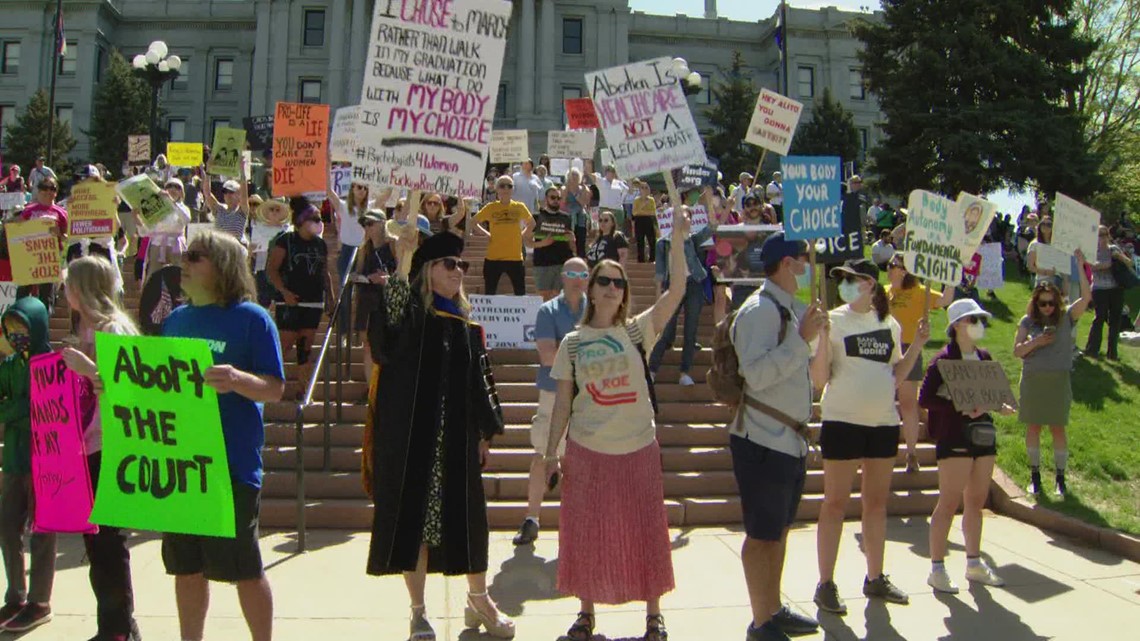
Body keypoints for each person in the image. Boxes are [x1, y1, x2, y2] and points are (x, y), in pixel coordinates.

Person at [543, 208, 696, 641]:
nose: (611, 288)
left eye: (618, 282)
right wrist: (549, 452)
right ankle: (585, 614)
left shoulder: (636, 332)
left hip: (637, 446)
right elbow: (561, 405)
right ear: (589, 289)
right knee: (587, 532)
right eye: (603, 281)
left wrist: (679, 239)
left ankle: (653, 616)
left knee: (646, 528)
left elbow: (679, 288)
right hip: (588, 449)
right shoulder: (572, 344)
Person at [366, 232, 514, 641]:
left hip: (456, 441)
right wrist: (404, 258)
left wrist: (485, 432)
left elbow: (478, 382)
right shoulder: (411, 314)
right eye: (449, 264)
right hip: (414, 439)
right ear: (427, 271)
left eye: (461, 265)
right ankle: (418, 613)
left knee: (469, 522)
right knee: (414, 523)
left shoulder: (464, 322)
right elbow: (388, 328)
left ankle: (479, 599)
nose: (458, 271)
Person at [158, 230, 284, 641]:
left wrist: (237, 379)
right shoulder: (175, 320)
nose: (184, 261)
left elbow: (274, 388)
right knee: (186, 566)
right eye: (185, 255)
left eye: (195, 256)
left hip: (231, 464)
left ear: (222, 267)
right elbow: (160, 387)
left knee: (243, 567)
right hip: (182, 463)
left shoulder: (253, 319)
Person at [810, 258, 929, 614]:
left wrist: (918, 345)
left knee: (876, 505)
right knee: (834, 503)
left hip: (882, 423)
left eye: (852, 278)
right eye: (842, 279)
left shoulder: (889, 324)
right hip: (842, 421)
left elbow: (896, 374)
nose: (845, 284)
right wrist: (824, 338)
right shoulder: (832, 321)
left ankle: (874, 577)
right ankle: (825, 583)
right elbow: (819, 380)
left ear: (870, 285)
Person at [729, 232, 825, 641]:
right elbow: (756, 374)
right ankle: (760, 621)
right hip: (763, 439)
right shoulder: (759, 311)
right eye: (803, 258)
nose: (807, 265)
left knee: (779, 530)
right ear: (787, 263)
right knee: (762, 534)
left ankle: (772, 608)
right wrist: (802, 342)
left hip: (788, 439)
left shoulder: (791, 309)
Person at [60, 257, 144, 641]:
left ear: (84, 288)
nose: (65, 293)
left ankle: (118, 629)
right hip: (87, 444)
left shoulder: (115, 329)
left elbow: (127, 389)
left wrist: (86, 369)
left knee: (108, 542)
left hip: (111, 446)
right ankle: (115, 625)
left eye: (69, 285)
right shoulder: (89, 329)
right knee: (96, 542)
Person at [920, 299, 1011, 594]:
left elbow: (994, 394)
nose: (979, 326)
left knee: (976, 501)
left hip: (982, 435)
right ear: (957, 325)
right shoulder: (942, 360)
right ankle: (937, 567)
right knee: (948, 501)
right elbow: (926, 399)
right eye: (973, 320)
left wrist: (1000, 405)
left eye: (981, 320)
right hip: (954, 437)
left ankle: (974, 562)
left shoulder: (984, 358)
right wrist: (957, 403)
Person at [512, 257, 589, 546]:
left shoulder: (594, 311)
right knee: (543, 455)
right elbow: (546, 356)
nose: (577, 278)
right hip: (554, 393)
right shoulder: (547, 310)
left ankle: (577, 522)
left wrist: (567, 351)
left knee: (580, 461)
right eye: (571, 273)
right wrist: (587, 355)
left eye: (583, 274)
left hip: (587, 396)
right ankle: (531, 519)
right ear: (562, 276)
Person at [0, 295, 56, 632]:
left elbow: (47, 411)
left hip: (46, 458)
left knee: (42, 532)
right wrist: (22, 409)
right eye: (10, 329)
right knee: (7, 526)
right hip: (15, 458)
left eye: (21, 328)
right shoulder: (9, 367)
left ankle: (39, 600)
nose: (15, 335)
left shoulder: (52, 365)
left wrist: (17, 410)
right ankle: (15, 595)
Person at [1014, 258, 1092, 497]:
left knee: (1058, 429)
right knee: (1034, 427)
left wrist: (1080, 266)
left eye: (1050, 303)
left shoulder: (1066, 317)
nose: (1047, 308)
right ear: (1035, 304)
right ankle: (1034, 475)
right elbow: (1017, 351)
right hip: (1033, 380)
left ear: (1057, 302)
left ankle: (1060, 478)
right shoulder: (1027, 322)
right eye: (1042, 304)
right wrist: (1037, 341)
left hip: (1058, 380)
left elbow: (1086, 298)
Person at [885, 256, 954, 472]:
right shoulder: (883, 291)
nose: (888, 270)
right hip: (884, 349)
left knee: (907, 404)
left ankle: (911, 453)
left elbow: (944, 300)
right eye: (888, 266)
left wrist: (950, 278)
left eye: (893, 266)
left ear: (905, 270)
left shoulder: (919, 291)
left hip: (908, 348)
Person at [648, 197, 717, 386]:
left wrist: (709, 200)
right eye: (681, 216)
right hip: (673, 286)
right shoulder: (663, 243)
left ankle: (685, 372)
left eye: (687, 216)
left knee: (691, 329)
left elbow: (713, 226)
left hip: (694, 285)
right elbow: (660, 273)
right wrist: (658, 299)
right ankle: (652, 370)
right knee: (666, 330)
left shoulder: (693, 239)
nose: (685, 219)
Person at [267, 200, 332, 386]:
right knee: (285, 344)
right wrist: (284, 292)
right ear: (302, 221)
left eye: (319, 219)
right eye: (314, 219)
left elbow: (325, 272)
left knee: (305, 348)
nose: (318, 222)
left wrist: (331, 298)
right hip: (289, 302)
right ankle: (267, 383)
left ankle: (303, 389)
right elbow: (272, 269)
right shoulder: (285, 240)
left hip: (313, 302)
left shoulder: (321, 244)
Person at [352, 209, 396, 377]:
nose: (367, 228)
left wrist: (387, 279)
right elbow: (355, 274)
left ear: (382, 223)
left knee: (387, 345)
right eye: (365, 225)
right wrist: (365, 278)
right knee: (368, 346)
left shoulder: (393, 245)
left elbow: (403, 273)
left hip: (387, 301)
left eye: (371, 223)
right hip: (367, 301)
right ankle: (371, 388)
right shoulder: (364, 249)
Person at [474, 175, 534, 296]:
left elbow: (532, 223)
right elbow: (473, 222)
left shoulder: (519, 207)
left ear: (513, 189)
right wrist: (487, 234)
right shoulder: (491, 207)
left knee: (520, 294)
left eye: (509, 186)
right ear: (497, 189)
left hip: (515, 257)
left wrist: (521, 235)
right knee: (489, 294)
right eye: (502, 186)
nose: (506, 189)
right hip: (493, 258)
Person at [1085, 225, 1133, 360]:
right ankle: (1092, 350)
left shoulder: (1114, 248)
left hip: (1116, 288)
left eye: (1105, 234)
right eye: (1100, 235)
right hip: (1099, 289)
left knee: (1115, 320)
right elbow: (1092, 266)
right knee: (1099, 319)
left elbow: (1129, 263)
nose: (1103, 237)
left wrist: (1120, 257)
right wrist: (1109, 264)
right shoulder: (1092, 251)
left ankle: (1112, 353)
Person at [141, 177, 192, 281]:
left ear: (181, 192)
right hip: (158, 245)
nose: (173, 189)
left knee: (178, 276)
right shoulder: (156, 208)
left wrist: (171, 202)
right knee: (153, 277)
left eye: (177, 187)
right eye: (169, 186)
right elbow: (146, 231)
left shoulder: (183, 208)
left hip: (176, 246)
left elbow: (186, 219)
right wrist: (137, 219)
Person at [532, 187, 576, 301]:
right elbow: (526, 239)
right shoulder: (537, 216)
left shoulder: (566, 217)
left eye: (558, 198)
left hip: (562, 263)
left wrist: (572, 240)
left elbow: (572, 245)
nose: (556, 200)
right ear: (546, 199)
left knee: (560, 299)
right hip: (542, 263)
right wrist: (542, 243)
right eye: (553, 197)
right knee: (543, 299)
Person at [206, 178, 250, 245]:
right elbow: (207, 193)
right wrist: (207, 174)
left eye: (231, 192)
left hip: (236, 248)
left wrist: (242, 172)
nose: (228, 195)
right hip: (220, 249)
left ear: (239, 194)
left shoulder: (242, 211)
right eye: (225, 192)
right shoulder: (219, 210)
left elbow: (244, 197)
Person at [563, 168, 591, 259]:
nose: (574, 179)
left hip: (580, 216)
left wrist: (575, 194)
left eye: (576, 176)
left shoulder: (583, 188)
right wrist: (567, 189)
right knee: (568, 239)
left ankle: (581, 256)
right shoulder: (564, 188)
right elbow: (562, 202)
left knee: (580, 239)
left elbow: (583, 203)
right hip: (568, 216)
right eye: (572, 177)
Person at [593, 165, 629, 230]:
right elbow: (593, 177)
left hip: (617, 210)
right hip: (604, 209)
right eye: (609, 171)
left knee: (617, 229)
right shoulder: (601, 181)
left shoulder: (619, 182)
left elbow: (626, 190)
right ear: (606, 173)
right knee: (604, 229)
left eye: (613, 171)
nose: (612, 173)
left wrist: (621, 202)